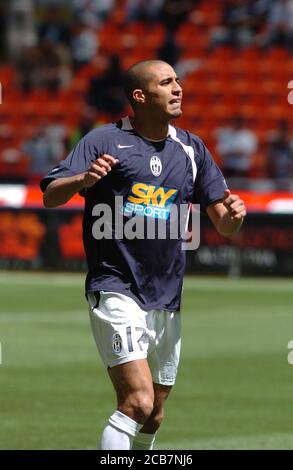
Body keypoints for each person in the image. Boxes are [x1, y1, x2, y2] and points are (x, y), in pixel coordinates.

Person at [40, 60, 246, 450]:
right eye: (167, 82)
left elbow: (223, 223)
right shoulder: (103, 140)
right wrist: (83, 180)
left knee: (155, 411)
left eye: (178, 80)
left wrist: (234, 216)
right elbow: (51, 194)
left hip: (168, 296)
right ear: (140, 95)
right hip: (116, 287)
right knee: (136, 401)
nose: (178, 88)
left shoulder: (191, 148)